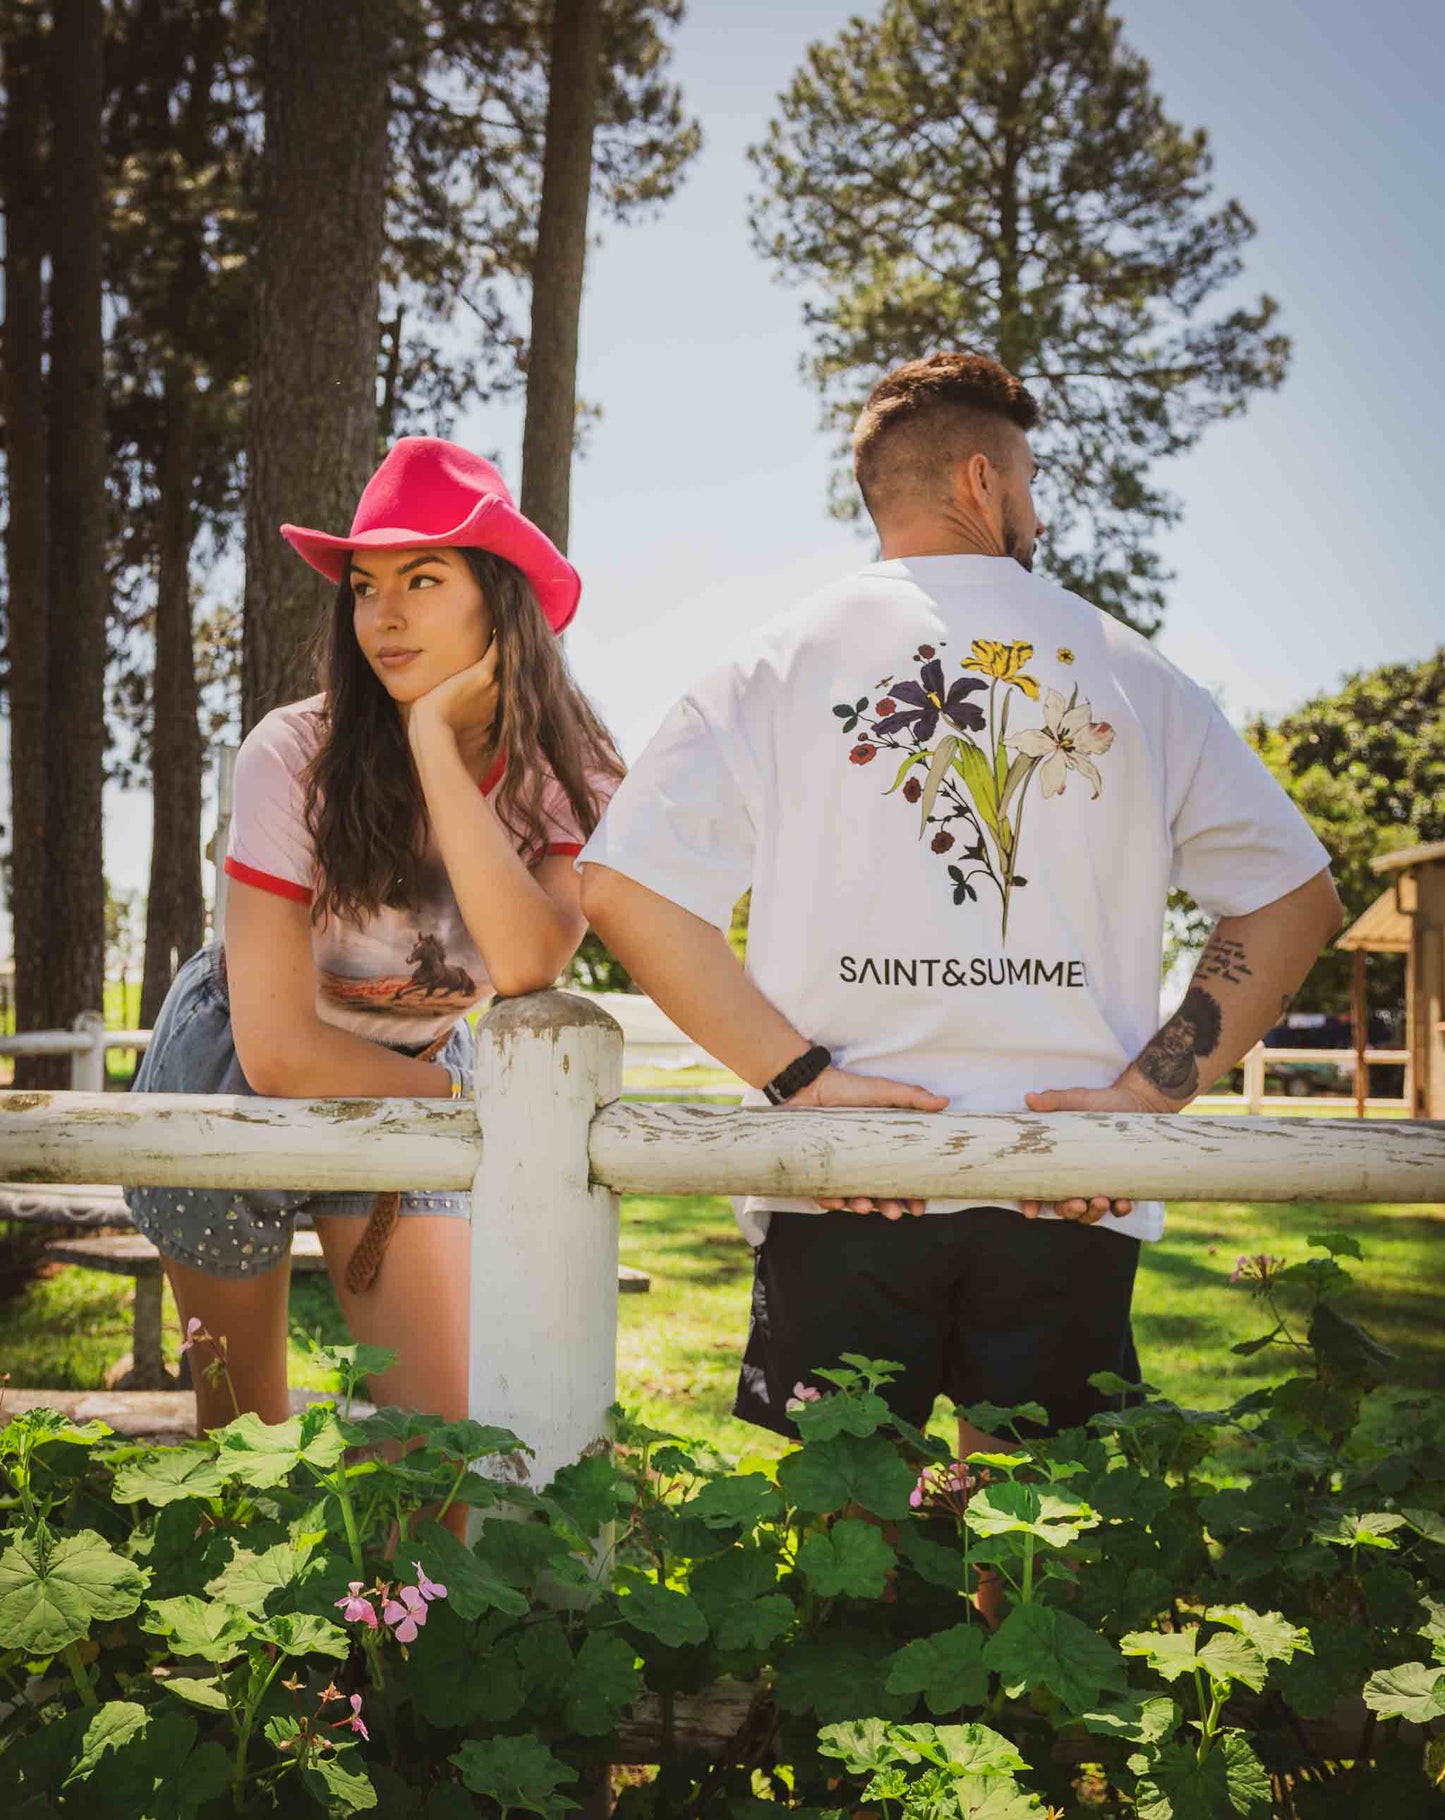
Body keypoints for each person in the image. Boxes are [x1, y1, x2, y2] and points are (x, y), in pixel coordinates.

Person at [579, 351, 1341, 1459]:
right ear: (982, 481)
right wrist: (1139, 1100)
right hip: (1064, 1179)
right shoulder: (1130, 668)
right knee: (1044, 1553)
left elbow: (622, 887)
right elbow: (1292, 900)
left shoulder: (771, 663)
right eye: (1027, 481)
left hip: (847, 1177)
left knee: (851, 1532)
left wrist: (801, 1084)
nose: (1032, 511)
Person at [129, 437, 621, 1435]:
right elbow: (274, 1051)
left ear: (497, 598)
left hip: (412, 1060)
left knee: (436, 1445)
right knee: (243, 1441)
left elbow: (529, 961)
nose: (382, 614)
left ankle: (389, 1601)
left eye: (422, 578)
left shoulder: (569, 764)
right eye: (363, 585)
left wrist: (435, 741)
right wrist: (465, 1101)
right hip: (233, 1067)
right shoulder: (292, 753)